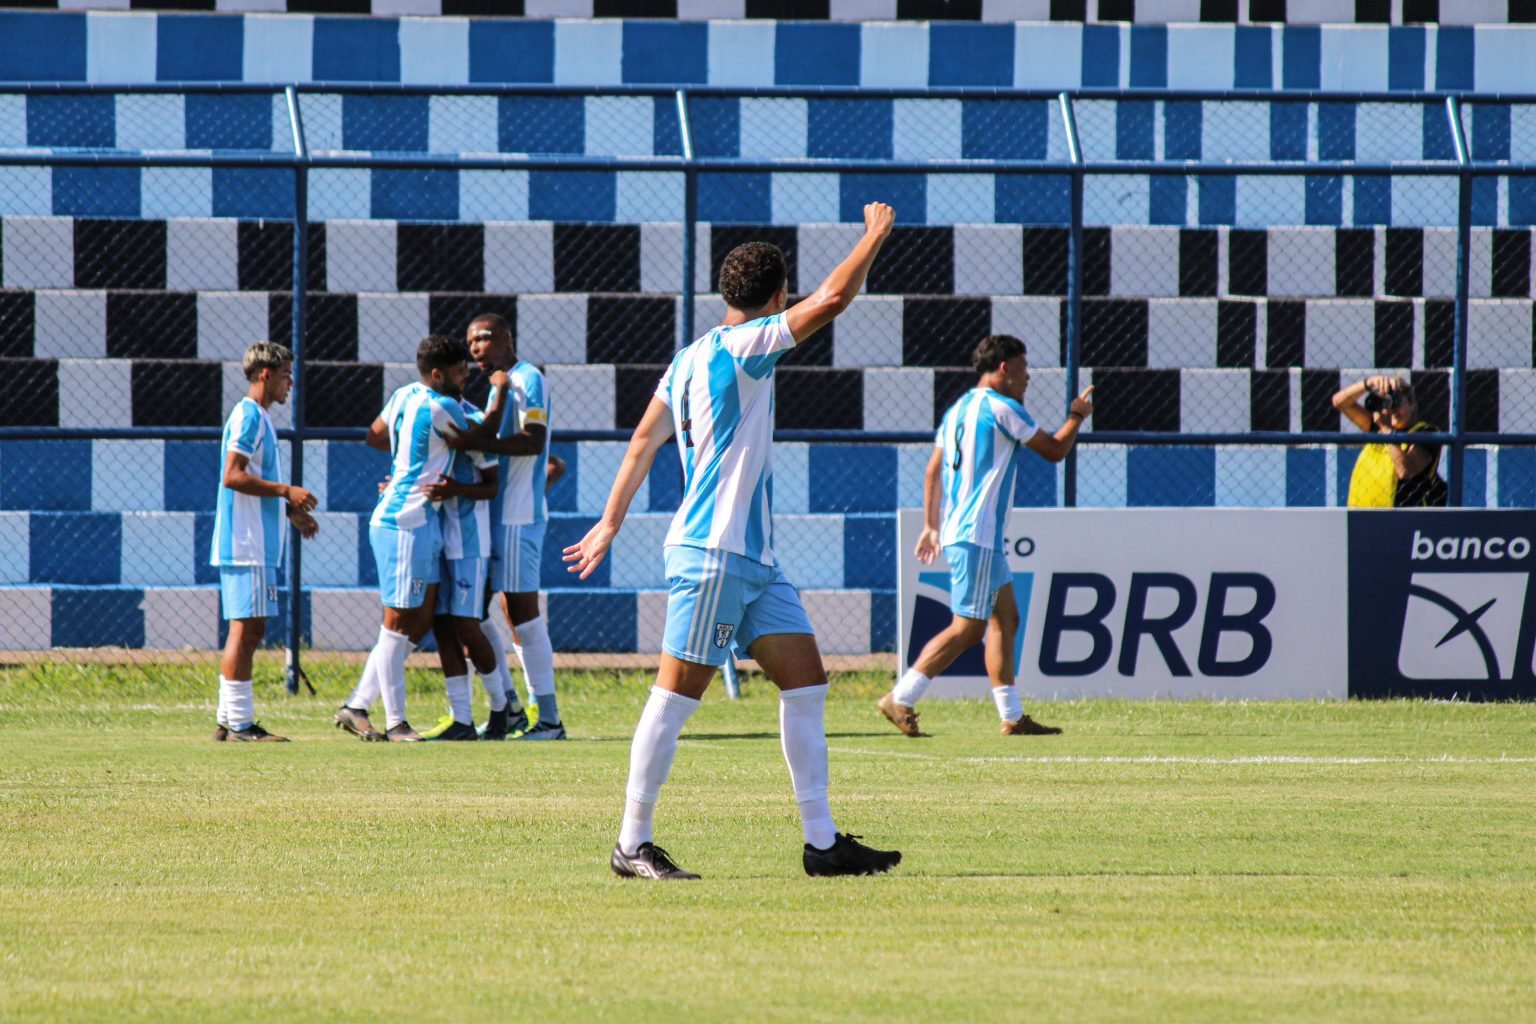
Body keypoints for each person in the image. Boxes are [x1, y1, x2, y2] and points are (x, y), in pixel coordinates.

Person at [564, 202, 903, 881]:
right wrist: (873, 235)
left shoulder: (687, 358)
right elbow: (835, 296)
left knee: (805, 686)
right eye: (787, 297)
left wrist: (609, 520)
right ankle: (631, 843)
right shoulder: (746, 347)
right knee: (675, 697)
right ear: (779, 296)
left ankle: (823, 843)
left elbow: (641, 440)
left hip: (753, 562)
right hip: (715, 552)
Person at [878, 335, 1094, 740]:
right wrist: (1077, 415)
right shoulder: (1003, 408)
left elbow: (931, 472)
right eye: (1024, 369)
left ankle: (1012, 716)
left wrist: (931, 525)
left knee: (1005, 618)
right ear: (1004, 369)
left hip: (974, 534)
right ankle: (901, 697)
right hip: (977, 533)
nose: (1028, 378)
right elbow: (1055, 450)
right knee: (968, 628)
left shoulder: (958, 410)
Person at [333, 335, 474, 742]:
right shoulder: (443, 405)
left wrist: (404, 463)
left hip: (420, 520)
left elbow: (374, 434)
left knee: (419, 618)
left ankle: (357, 705)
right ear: (437, 374)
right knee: (397, 624)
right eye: (459, 369)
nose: (466, 375)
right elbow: (477, 441)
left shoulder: (403, 394)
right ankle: (396, 723)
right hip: (403, 522)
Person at [447, 314, 563, 741]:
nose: (476, 348)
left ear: (506, 337)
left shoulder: (528, 379)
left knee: (524, 616)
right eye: (470, 341)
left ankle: (549, 719)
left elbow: (534, 441)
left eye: (483, 338)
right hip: (495, 517)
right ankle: (511, 707)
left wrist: (481, 442)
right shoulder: (499, 384)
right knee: (475, 612)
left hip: (517, 517)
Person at [211, 341, 319, 742]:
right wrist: (286, 489)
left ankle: (228, 721)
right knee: (247, 628)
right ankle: (240, 724)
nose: (291, 383)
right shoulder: (250, 417)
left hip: (253, 540)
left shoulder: (258, 418)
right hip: (246, 541)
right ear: (266, 375)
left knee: (249, 627)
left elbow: (248, 479)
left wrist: (290, 512)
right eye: (287, 374)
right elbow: (232, 475)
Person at [1333, 375, 1447, 508]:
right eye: (1385, 403)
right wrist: (1369, 383)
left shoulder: (1426, 432)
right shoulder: (1377, 428)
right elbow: (1339, 402)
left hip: (1402, 518)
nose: (1391, 410)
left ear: (1411, 402)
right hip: (1362, 515)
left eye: (1395, 402)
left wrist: (1387, 431)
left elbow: (1405, 470)